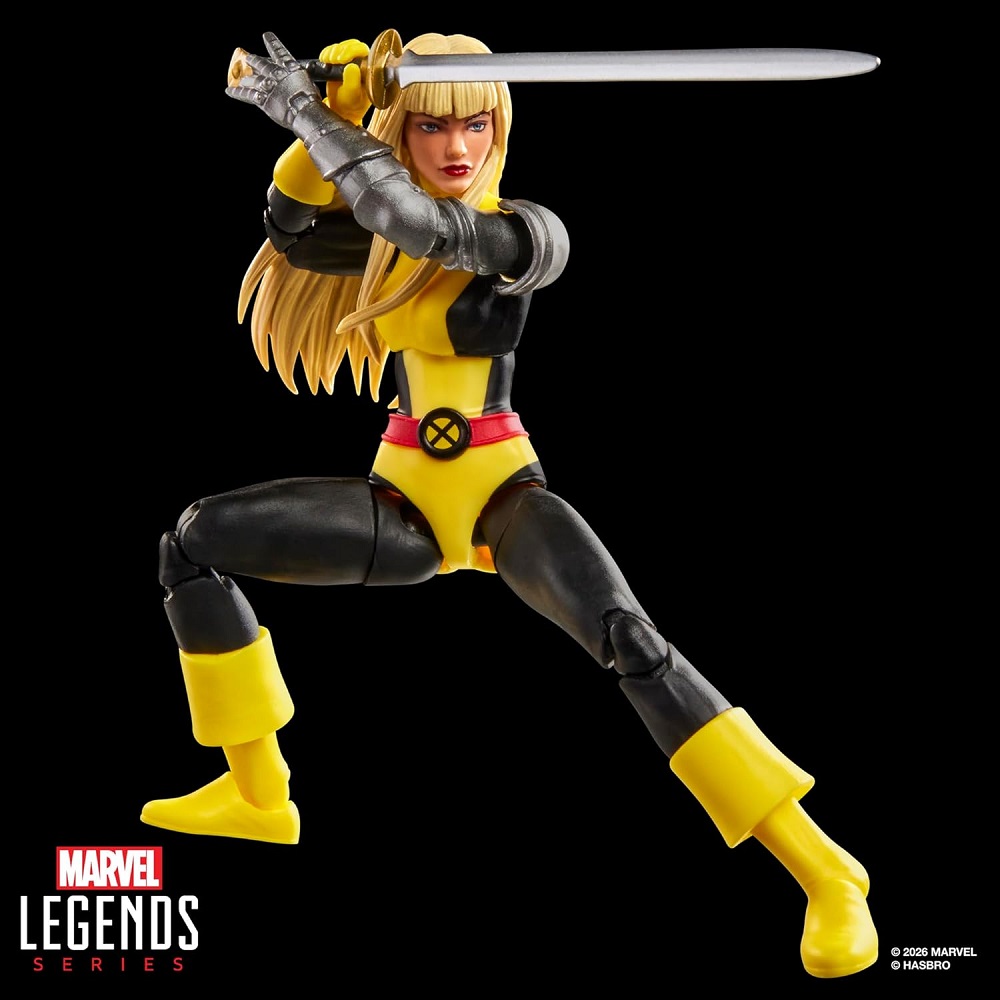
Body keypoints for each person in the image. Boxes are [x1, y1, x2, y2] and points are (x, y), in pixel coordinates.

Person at [142, 30, 878, 978]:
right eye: (430, 126)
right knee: (194, 542)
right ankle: (258, 793)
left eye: (476, 125)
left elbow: (419, 223)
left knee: (631, 641)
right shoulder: (382, 231)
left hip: (501, 494)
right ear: (399, 132)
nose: (457, 146)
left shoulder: (522, 236)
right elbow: (293, 229)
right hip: (402, 501)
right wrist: (328, 115)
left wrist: (309, 114)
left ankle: (825, 872)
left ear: (500, 127)